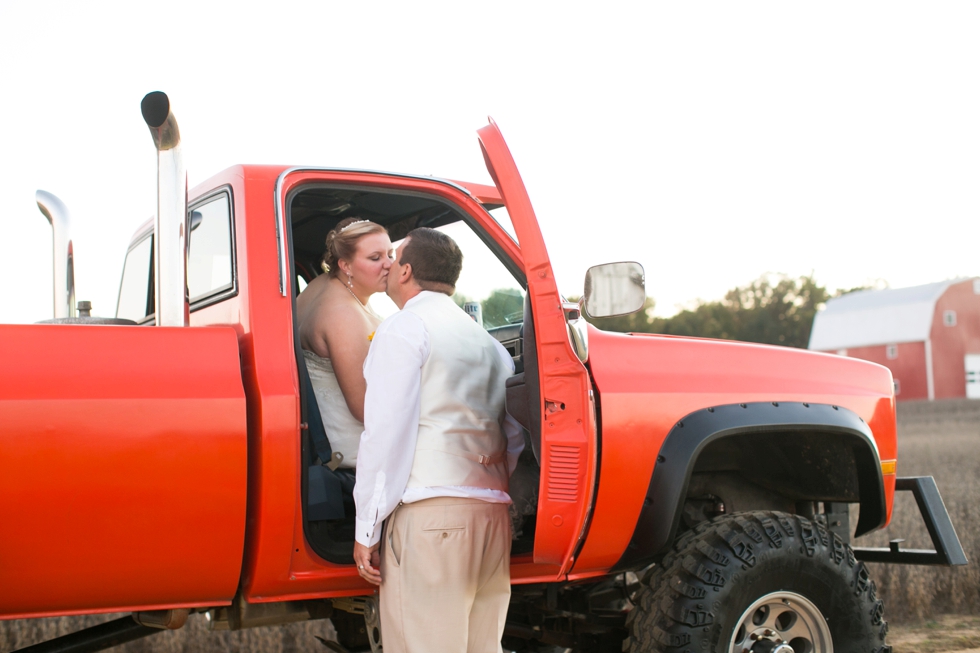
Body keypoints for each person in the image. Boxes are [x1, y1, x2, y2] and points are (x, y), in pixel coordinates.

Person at [352, 227, 523, 653]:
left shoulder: (405, 328)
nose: (387, 266)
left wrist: (367, 528)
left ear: (407, 270)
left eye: (394, 258)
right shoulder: (491, 346)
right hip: (491, 517)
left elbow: (385, 436)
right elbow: (514, 435)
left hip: (432, 520)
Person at [296, 217, 393, 468]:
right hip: (355, 456)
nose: (390, 265)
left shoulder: (323, 286)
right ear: (346, 265)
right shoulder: (343, 313)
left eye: (390, 254)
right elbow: (365, 408)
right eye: (376, 258)